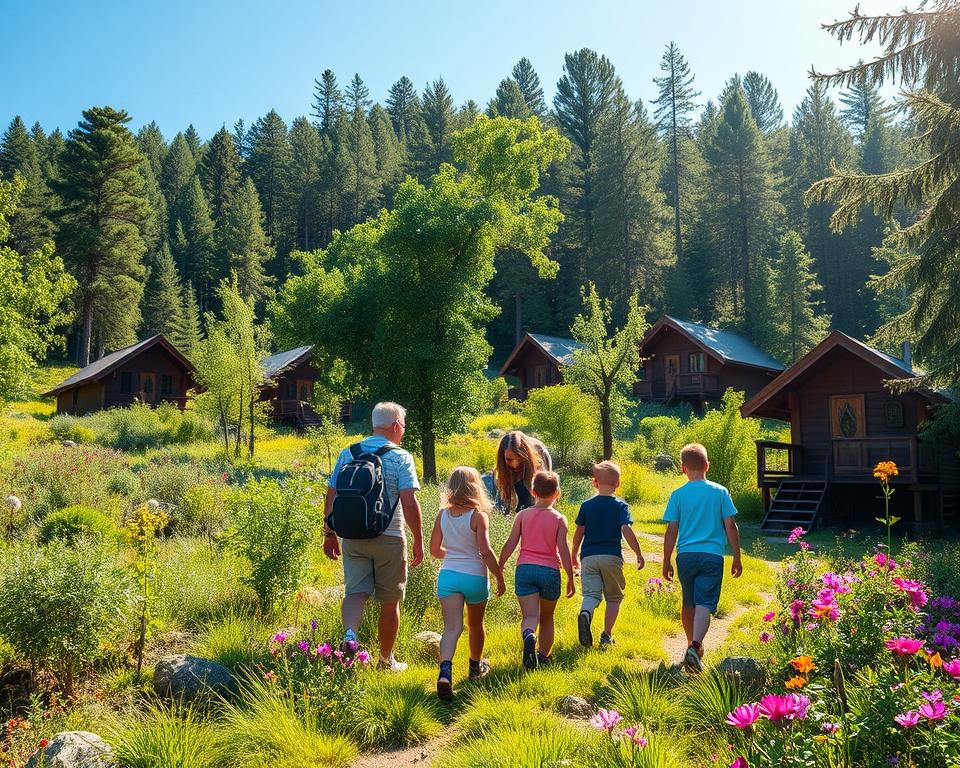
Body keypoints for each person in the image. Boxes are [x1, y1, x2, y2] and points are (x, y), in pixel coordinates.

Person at [323, 402, 424, 672]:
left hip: (352, 536)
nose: (403, 431)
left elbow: (332, 494)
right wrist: (419, 539)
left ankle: (350, 636)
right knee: (390, 601)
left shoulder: (349, 452)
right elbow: (409, 502)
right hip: (389, 537)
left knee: (355, 592)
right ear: (394, 426)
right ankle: (385, 660)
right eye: (402, 426)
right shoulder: (401, 456)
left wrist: (329, 533)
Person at [661, 443, 743, 674]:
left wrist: (666, 559)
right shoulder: (720, 492)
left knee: (688, 602)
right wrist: (737, 556)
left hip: (685, 556)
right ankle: (696, 647)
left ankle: (691, 646)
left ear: (683, 468)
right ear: (707, 465)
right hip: (712, 555)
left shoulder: (677, 495)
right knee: (704, 603)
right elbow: (731, 525)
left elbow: (671, 530)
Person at [429, 466, 506, 700]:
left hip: (449, 575)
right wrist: (499, 576)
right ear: (476, 487)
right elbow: (485, 551)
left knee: (451, 628)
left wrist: (453, 555)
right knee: (475, 624)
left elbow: (434, 550)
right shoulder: (478, 516)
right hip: (474, 576)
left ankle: (445, 673)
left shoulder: (442, 514)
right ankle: (475, 667)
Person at [498, 470, 575, 669]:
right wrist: (570, 576)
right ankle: (543, 656)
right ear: (557, 493)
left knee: (530, 617)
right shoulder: (559, 519)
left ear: (532, 491)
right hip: (549, 571)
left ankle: (529, 635)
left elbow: (511, 543)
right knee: (547, 617)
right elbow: (564, 550)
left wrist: (500, 565)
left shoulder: (523, 515)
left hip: (525, 570)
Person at [571, 461, 645, 648]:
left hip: (588, 557)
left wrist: (574, 553)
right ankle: (606, 635)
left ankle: (585, 613)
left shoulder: (586, 505)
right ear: (618, 484)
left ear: (594, 483)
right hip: (611, 557)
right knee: (613, 597)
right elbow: (626, 529)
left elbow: (579, 532)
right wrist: (638, 552)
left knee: (591, 594)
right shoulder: (620, 505)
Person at [486, 430, 553, 514]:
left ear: (525, 454)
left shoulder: (539, 453)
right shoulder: (502, 466)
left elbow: (546, 491)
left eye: (519, 459)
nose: (515, 464)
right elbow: (502, 500)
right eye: (509, 459)